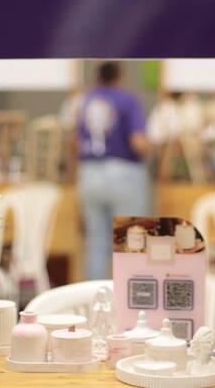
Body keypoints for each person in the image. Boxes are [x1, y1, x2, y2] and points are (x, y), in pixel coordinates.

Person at [76, 62, 150, 280]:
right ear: (120, 76)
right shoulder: (126, 99)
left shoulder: (84, 101)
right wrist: (152, 148)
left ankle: (94, 301)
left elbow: (74, 142)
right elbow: (138, 143)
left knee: (96, 244)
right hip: (122, 173)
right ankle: (131, 300)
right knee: (130, 239)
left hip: (89, 174)